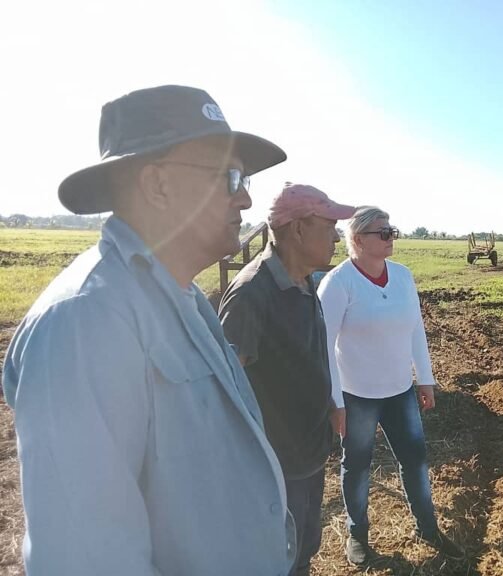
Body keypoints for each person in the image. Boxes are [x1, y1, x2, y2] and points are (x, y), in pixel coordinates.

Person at [2, 85, 296, 575]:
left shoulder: (183, 297)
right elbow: (86, 561)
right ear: (158, 185)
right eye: (230, 177)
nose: (245, 197)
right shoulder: (85, 321)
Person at [218, 182, 355, 576]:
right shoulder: (251, 293)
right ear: (297, 229)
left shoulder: (305, 280)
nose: (335, 235)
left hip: (308, 452)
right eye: (329, 225)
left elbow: (307, 353)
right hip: (275, 467)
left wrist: (329, 401)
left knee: (305, 547)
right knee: (277, 559)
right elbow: (226, 392)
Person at [317, 206, 463, 565]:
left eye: (391, 230)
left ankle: (427, 527)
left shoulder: (402, 276)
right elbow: (323, 346)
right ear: (357, 239)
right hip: (357, 395)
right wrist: (336, 402)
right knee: (358, 464)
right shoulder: (338, 283)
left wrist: (424, 379)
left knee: (414, 460)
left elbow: (415, 328)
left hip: (400, 391)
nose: (390, 238)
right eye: (382, 233)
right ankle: (358, 535)